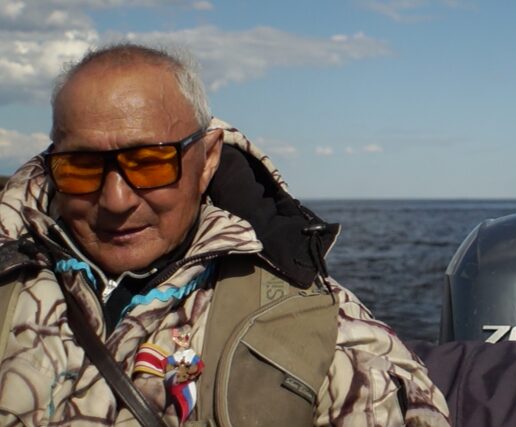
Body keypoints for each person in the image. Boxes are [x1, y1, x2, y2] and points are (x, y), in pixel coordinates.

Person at [0, 43, 450, 426]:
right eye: (81, 167)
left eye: (150, 162)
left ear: (208, 158)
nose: (116, 199)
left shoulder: (312, 318)